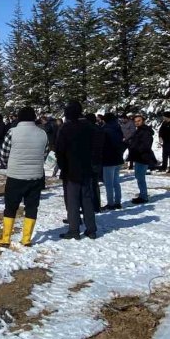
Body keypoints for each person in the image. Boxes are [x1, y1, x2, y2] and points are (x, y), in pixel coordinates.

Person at [0, 107, 49, 247]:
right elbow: (44, 154)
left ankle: (6, 237)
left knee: (10, 207)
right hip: (35, 176)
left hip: (15, 176)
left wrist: (8, 164)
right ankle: (26, 239)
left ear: (19, 117)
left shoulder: (12, 132)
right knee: (32, 207)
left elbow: (4, 153)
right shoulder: (42, 133)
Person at [56, 101, 101, 240]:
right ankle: (91, 229)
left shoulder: (65, 129)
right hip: (86, 168)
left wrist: (63, 166)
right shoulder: (89, 127)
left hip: (71, 170)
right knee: (87, 200)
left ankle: (74, 230)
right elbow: (96, 147)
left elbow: (60, 150)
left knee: (73, 201)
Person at [127, 114, 156, 204]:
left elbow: (146, 145)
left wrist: (136, 149)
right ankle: (142, 194)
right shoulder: (138, 130)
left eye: (139, 121)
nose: (137, 123)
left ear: (143, 121)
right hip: (138, 157)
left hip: (143, 156)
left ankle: (144, 197)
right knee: (138, 176)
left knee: (140, 177)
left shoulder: (145, 131)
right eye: (135, 121)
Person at [101, 113, 126, 210]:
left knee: (108, 183)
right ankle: (118, 202)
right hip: (118, 157)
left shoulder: (105, 129)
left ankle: (110, 203)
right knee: (116, 182)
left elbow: (103, 144)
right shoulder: (118, 128)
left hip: (108, 159)